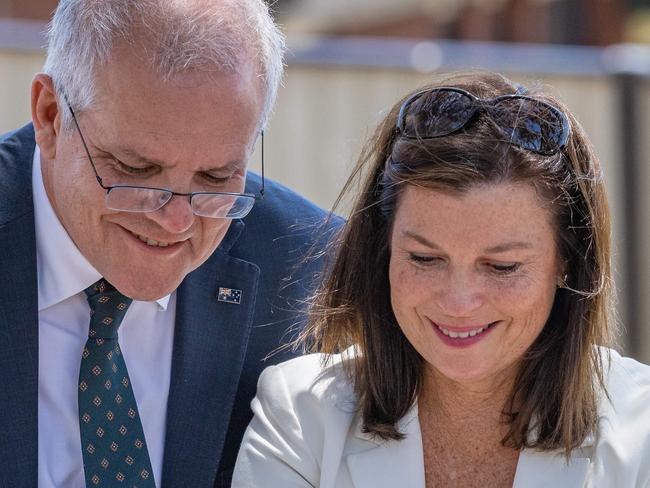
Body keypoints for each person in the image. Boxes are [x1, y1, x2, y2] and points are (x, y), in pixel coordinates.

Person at [232, 72, 650, 487]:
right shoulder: (301, 414)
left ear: (567, 264)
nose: (459, 301)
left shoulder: (642, 429)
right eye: (425, 258)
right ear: (384, 249)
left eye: (502, 266)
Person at [0, 1, 338, 486]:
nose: (176, 221)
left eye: (217, 176)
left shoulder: (313, 270)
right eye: (136, 171)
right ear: (50, 116)